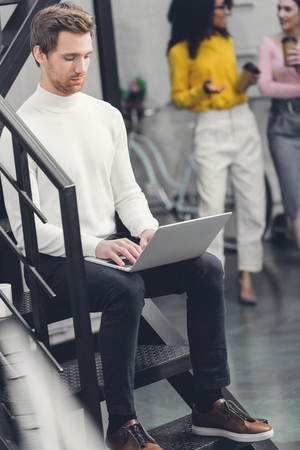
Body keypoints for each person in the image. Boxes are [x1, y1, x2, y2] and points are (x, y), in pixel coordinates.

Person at [0, 3, 273, 449]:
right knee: (124, 290)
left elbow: (127, 193)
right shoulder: (19, 130)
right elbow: (28, 229)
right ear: (39, 55)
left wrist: (146, 230)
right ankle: (123, 426)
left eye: (86, 56)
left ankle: (209, 404)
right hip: (55, 262)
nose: (81, 67)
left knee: (205, 267)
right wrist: (97, 248)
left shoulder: (105, 115)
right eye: (70, 58)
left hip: (108, 248)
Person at [167, 0, 266, 305]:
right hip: (211, 127)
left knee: (253, 202)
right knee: (211, 209)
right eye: (222, 6)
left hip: (243, 120)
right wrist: (203, 91)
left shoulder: (226, 40)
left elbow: (233, 88)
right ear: (202, 9)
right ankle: (214, 276)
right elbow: (180, 99)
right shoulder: (180, 50)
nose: (227, 12)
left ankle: (247, 273)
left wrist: (245, 82)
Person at [258, 0, 300, 250]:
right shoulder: (269, 44)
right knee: (294, 200)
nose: (280, 14)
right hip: (282, 126)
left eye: (287, 9)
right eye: (278, 8)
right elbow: (266, 86)